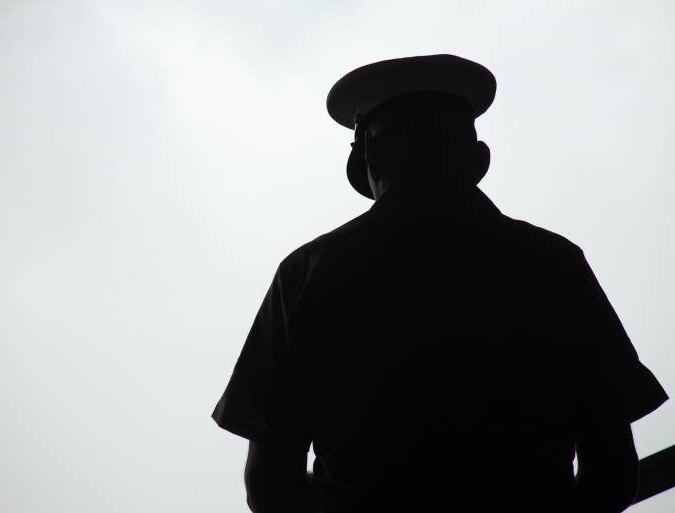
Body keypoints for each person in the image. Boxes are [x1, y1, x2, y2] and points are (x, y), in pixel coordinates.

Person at [211, 54, 669, 513]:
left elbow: (269, 484)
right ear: (479, 159)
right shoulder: (553, 263)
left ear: (367, 155)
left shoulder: (306, 275)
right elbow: (611, 470)